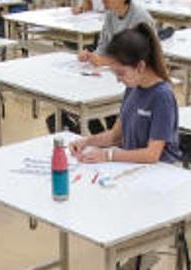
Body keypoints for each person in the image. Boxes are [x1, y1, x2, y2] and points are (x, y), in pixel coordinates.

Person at [66, 24, 180, 165]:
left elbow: (152, 155)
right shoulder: (133, 87)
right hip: (133, 167)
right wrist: (86, 141)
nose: (118, 79)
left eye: (121, 73)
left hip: (160, 172)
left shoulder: (162, 96)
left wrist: (108, 155)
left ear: (140, 66)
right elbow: (115, 136)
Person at [48, 0, 154, 135]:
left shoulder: (140, 18)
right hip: (113, 75)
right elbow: (103, 45)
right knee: (83, 98)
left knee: (106, 109)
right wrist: (91, 56)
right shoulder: (111, 14)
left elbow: (140, 58)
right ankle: (103, 135)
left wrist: (106, 60)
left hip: (134, 79)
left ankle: (110, 135)